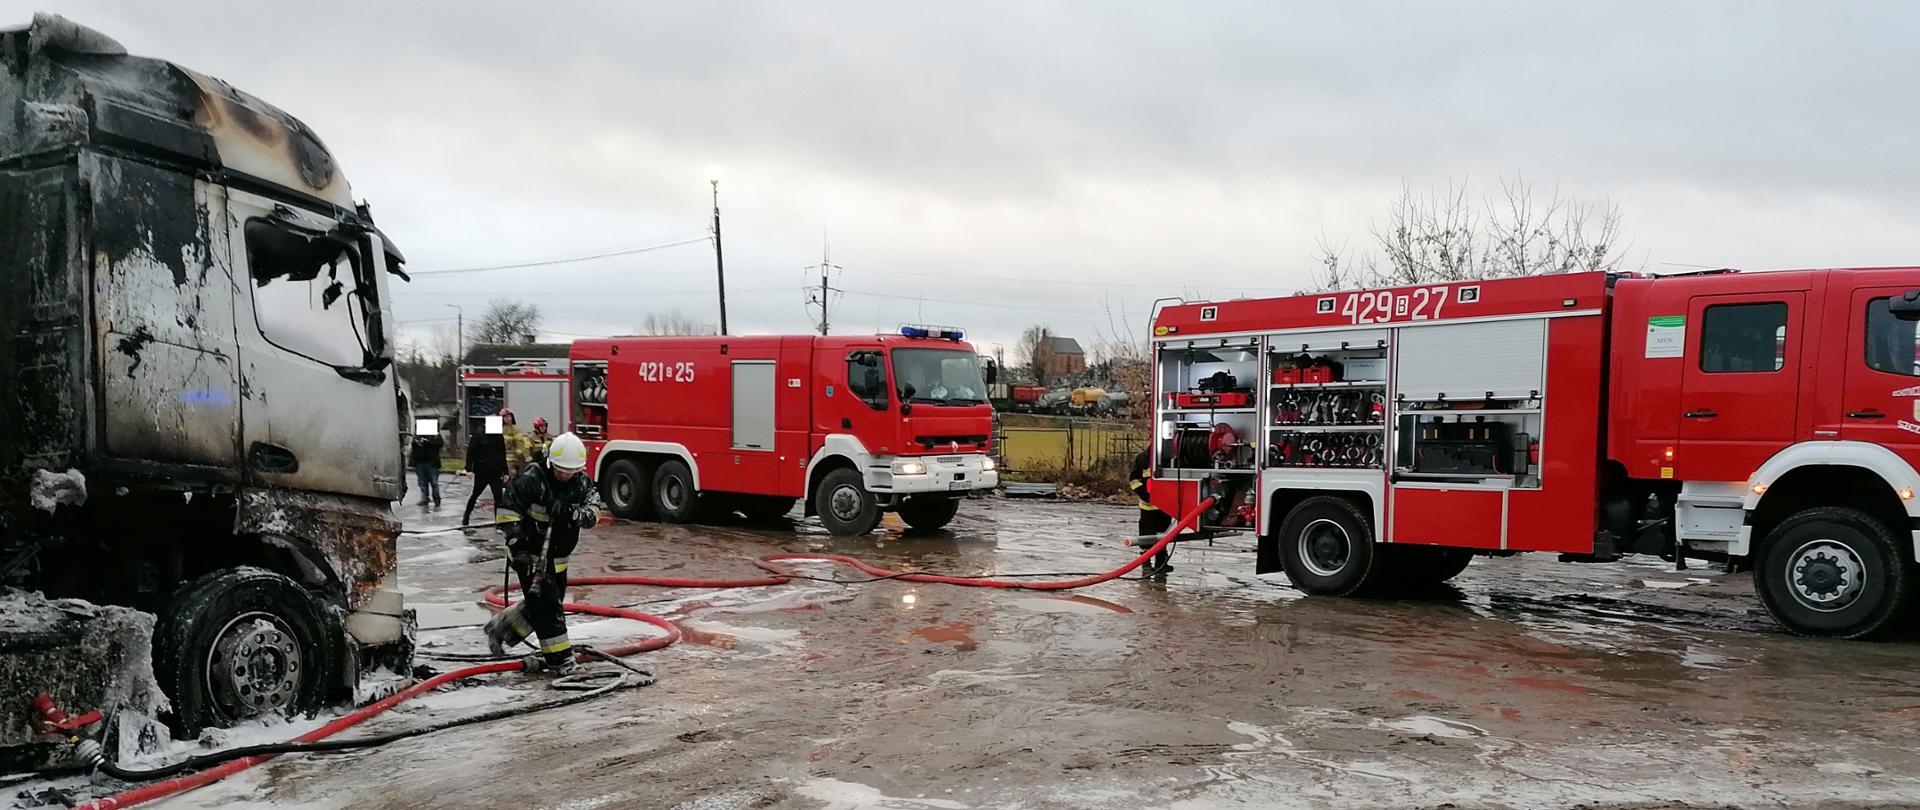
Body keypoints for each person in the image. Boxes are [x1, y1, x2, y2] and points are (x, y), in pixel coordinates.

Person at [482, 432, 601, 674]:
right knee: (549, 610)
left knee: (545, 603)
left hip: (558, 560)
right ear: (550, 462)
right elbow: (507, 511)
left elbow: (593, 514)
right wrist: (518, 546)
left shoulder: (581, 483)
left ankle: (502, 627)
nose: (565, 475)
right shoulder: (532, 479)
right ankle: (561, 661)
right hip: (530, 556)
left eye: (571, 471)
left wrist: (568, 512)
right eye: (561, 470)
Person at [1128, 449, 1173, 575]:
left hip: (1165, 507)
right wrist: (1146, 496)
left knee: (1163, 534)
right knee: (1146, 536)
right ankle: (1146, 564)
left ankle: (1160, 563)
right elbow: (1133, 480)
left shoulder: (1169, 458)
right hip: (1148, 507)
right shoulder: (1142, 459)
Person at [462, 414, 509, 529]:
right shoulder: (479, 436)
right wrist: (469, 469)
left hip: (496, 472)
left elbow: (502, 455)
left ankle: (498, 522)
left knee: (498, 498)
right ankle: (466, 516)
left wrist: (505, 472)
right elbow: (470, 453)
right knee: (475, 495)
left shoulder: (499, 437)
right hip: (482, 471)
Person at [409, 429, 444, 508]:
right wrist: (416, 442)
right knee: (422, 482)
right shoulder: (418, 434)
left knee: (434, 482)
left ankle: (436, 499)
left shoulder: (435, 434)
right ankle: (425, 498)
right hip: (420, 462)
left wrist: (427, 443)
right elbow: (413, 446)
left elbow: (439, 444)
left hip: (432, 462)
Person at [501, 409, 530, 476]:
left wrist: (526, 456)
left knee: (515, 476)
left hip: (515, 460)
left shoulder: (516, 430)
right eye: (505, 417)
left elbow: (520, 444)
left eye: (509, 416)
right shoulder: (497, 429)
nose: (508, 419)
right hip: (502, 460)